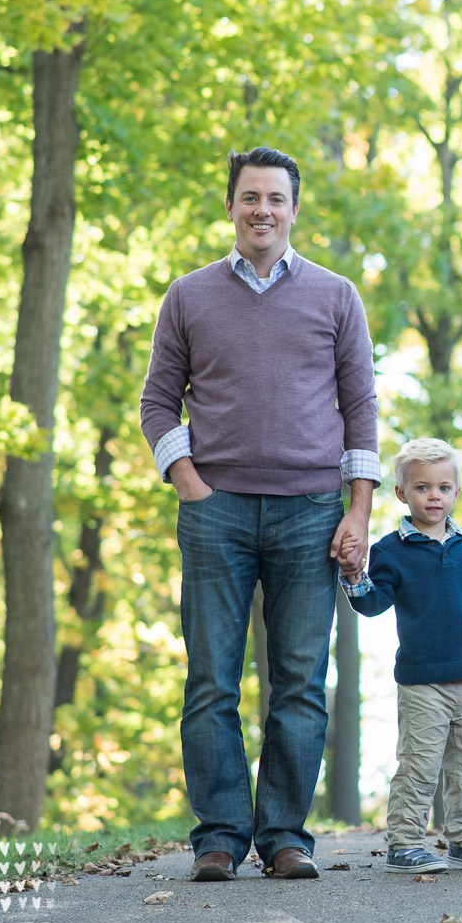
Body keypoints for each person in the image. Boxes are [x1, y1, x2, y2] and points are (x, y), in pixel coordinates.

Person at [138, 146, 378, 882]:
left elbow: (361, 406)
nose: (262, 210)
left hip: (311, 511)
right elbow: (157, 401)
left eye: (276, 198)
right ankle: (218, 835)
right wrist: (188, 483)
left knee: (299, 682)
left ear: (294, 209)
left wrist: (358, 511)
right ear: (232, 206)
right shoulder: (189, 296)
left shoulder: (335, 296)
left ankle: (283, 837)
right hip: (217, 512)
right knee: (212, 679)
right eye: (250, 197)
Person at [338, 438, 462, 873]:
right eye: (423, 488)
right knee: (420, 765)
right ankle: (404, 843)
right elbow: (372, 604)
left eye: (444, 488)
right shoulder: (391, 550)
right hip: (421, 681)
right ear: (401, 494)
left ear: (457, 492)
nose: (434, 496)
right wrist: (354, 575)